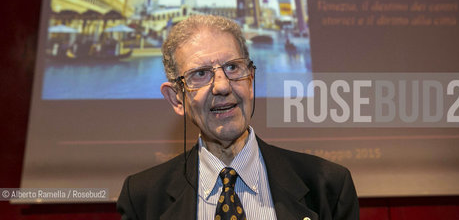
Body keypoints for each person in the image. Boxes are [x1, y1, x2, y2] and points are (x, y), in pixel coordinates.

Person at [117, 15, 359, 220]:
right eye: (200, 73)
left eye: (233, 68)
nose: (222, 86)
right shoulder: (142, 199)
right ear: (176, 99)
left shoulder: (328, 186)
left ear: (250, 81)